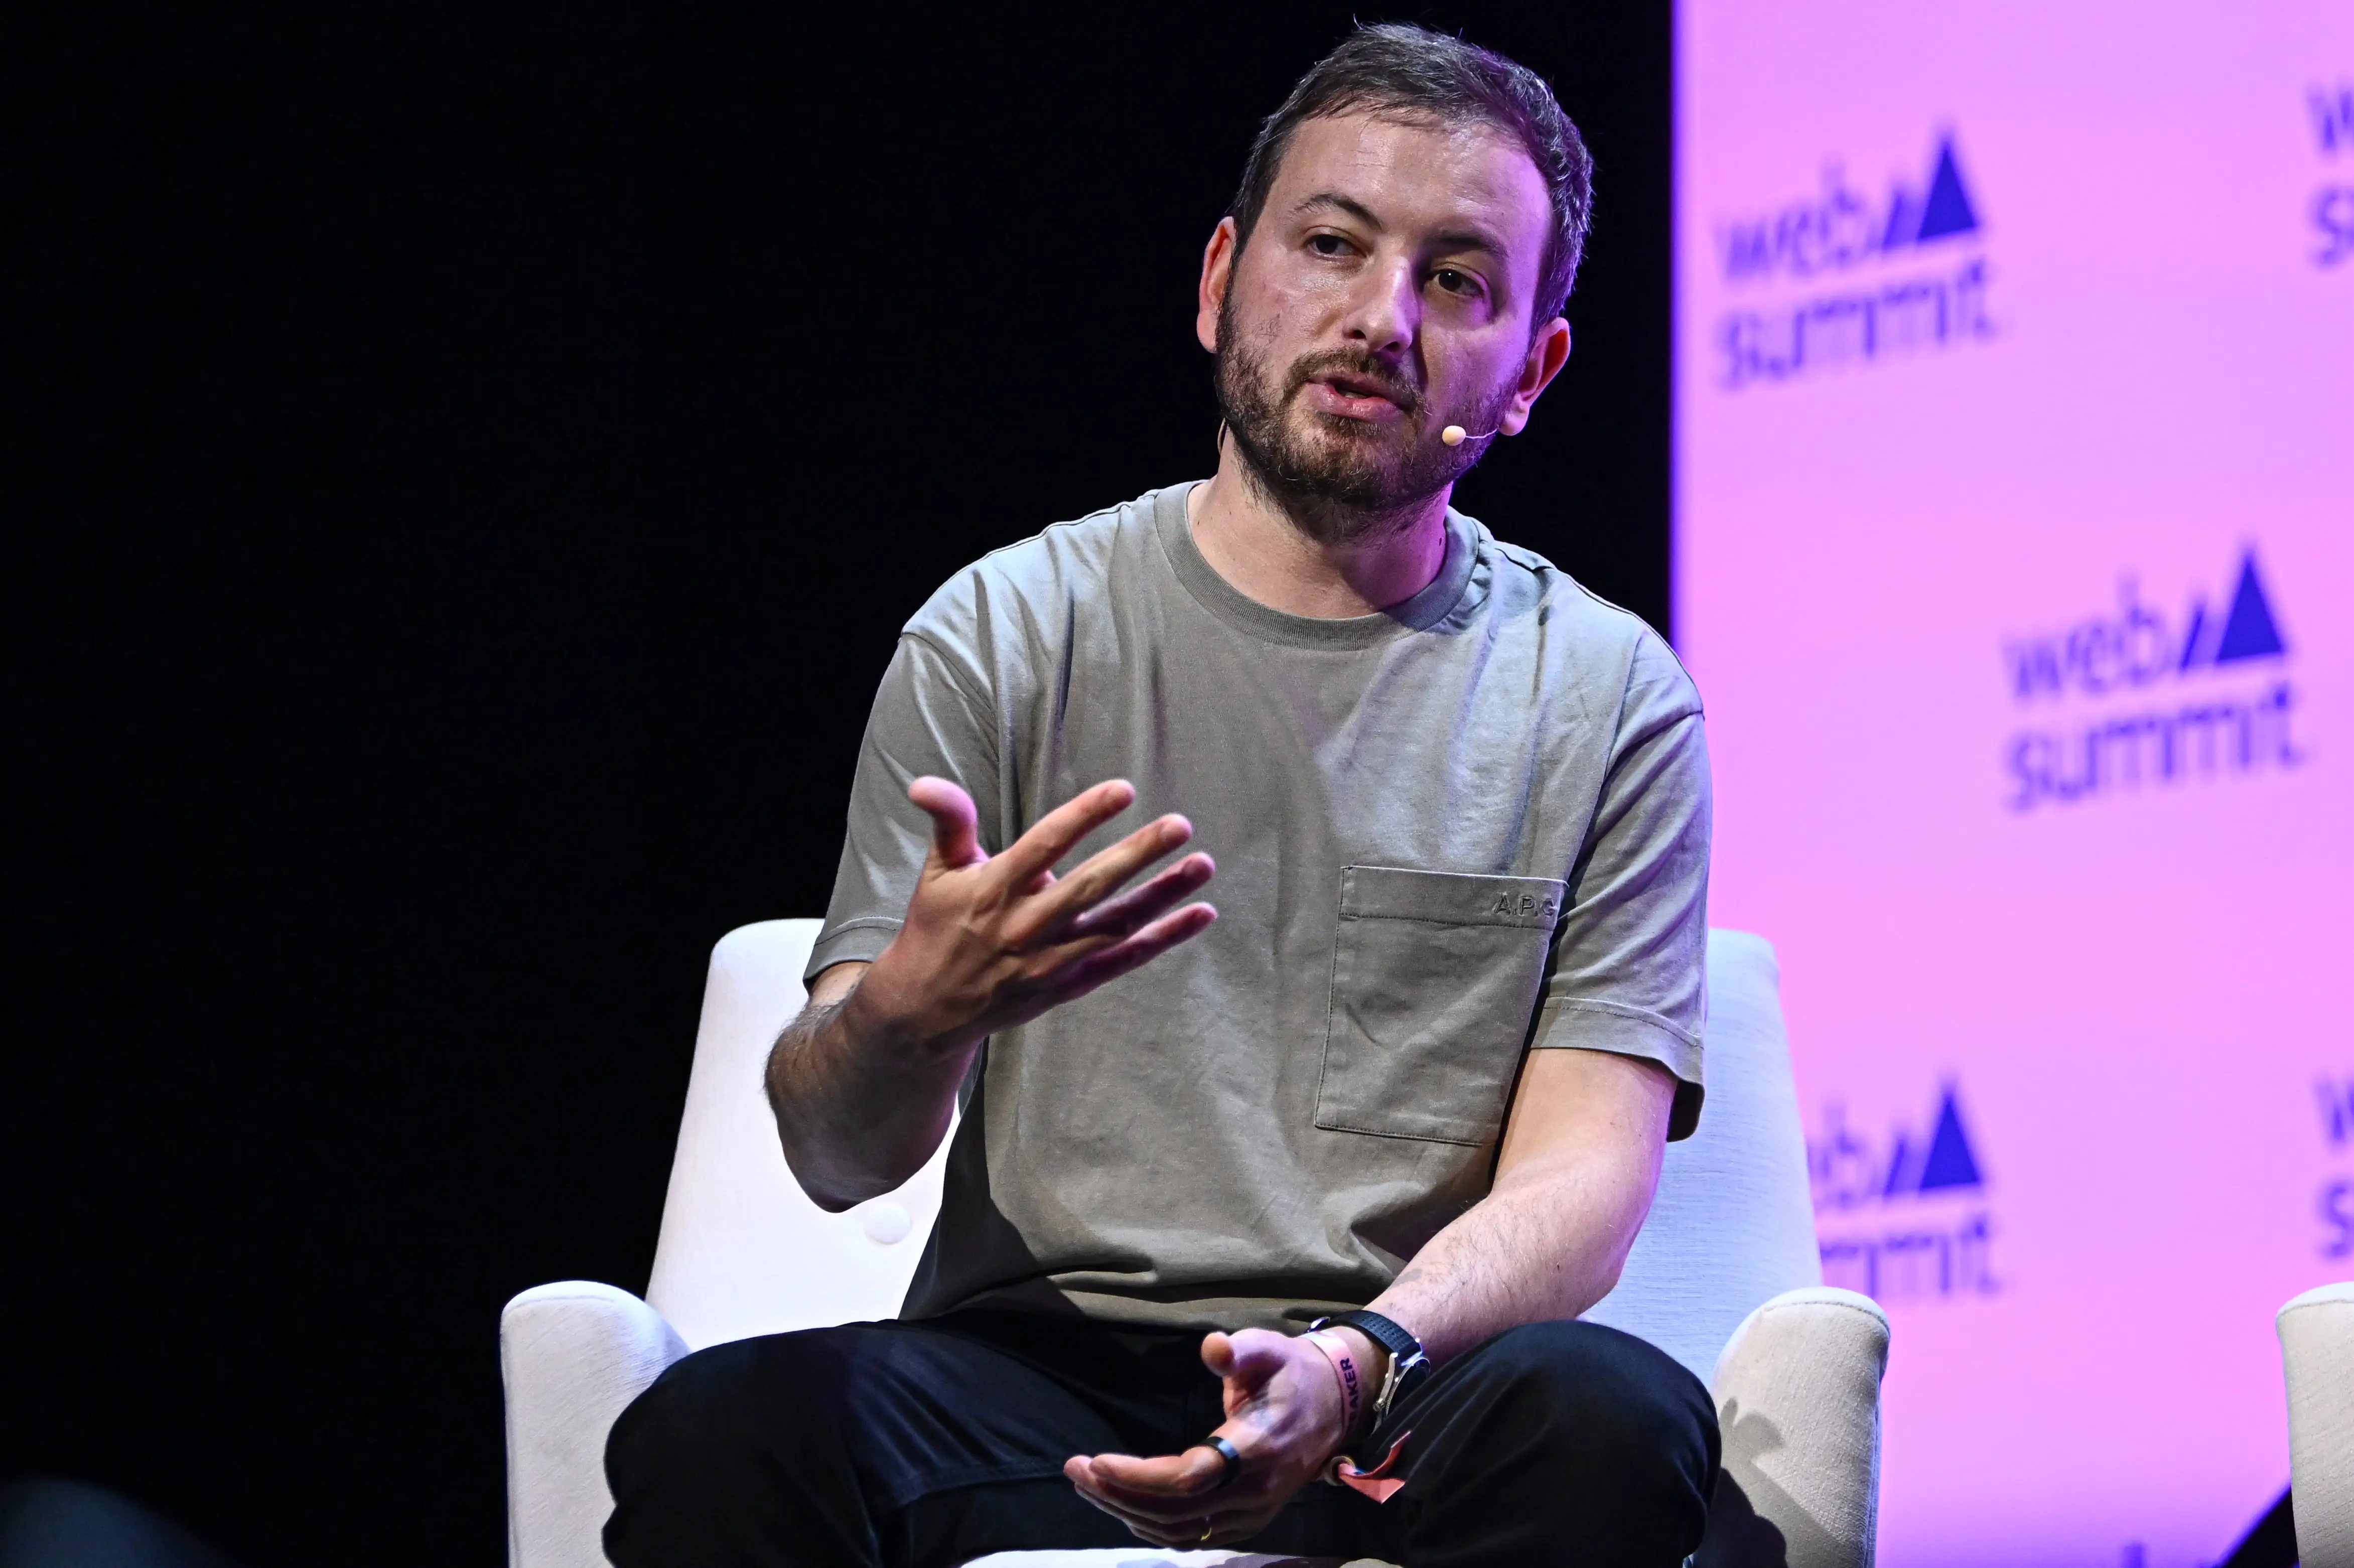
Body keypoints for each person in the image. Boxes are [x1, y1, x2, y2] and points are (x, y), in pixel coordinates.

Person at [606, 22, 1717, 1567]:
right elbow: (838, 1156)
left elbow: (1588, 1180)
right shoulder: (1003, 634)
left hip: (1399, 1381)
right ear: (1217, 282)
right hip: (1039, 1367)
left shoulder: (1608, 697)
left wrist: (1355, 1361)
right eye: (1330, 243)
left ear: (1532, 369)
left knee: (1618, 1425)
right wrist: (907, 1016)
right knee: (716, 1436)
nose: (1380, 318)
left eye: (1457, 279)